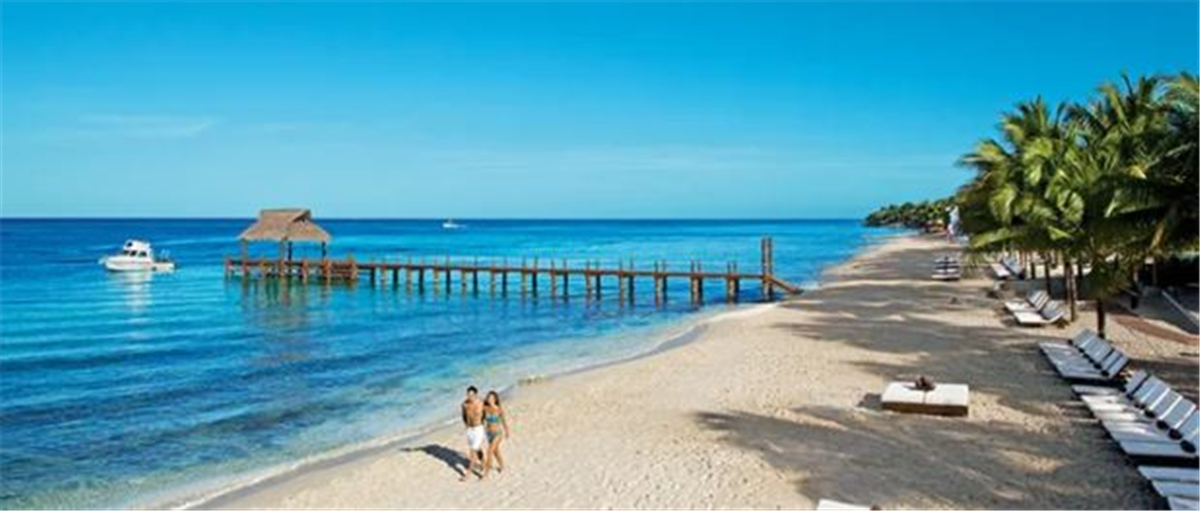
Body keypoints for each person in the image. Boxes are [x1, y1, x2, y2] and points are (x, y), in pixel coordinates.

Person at [480, 390, 511, 479]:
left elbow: (503, 421)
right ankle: (502, 465)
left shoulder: (498, 409)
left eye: (492, 398)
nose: (490, 399)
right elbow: (481, 419)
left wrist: (507, 431)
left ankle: (486, 474)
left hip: (497, 433)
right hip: (488, 433)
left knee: (489, 451)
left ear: (495, 399)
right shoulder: (484, 408)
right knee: (495, 452)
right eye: (489, 398)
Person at [460, 386, 486, 481]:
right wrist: (467, 426)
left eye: (471, 394)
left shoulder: (481, 403)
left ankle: (468, 474)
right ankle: (483, 464)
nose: (469, 396)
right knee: (477, 449)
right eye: (468, 394)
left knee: (472, 452)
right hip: (470, 430)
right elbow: (463, 416)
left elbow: (487, 413)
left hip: (479, 429)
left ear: (475, 394)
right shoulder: (464, 405)